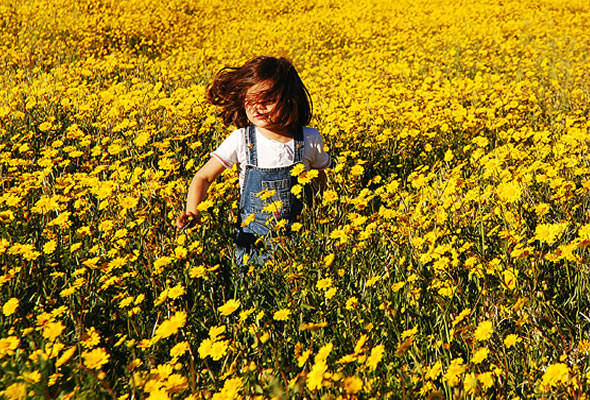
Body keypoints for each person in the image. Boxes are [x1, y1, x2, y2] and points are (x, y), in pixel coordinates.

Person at [176, 56, 331, 268]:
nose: (257, 107)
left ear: (288, 99)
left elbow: (319, 180)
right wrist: (193, 211)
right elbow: (203, 176)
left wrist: (325, 213)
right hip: (251, 242)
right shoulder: (241, 139)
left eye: (267, 100)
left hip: (299, 238)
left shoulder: (309, 138)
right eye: (251, 100)